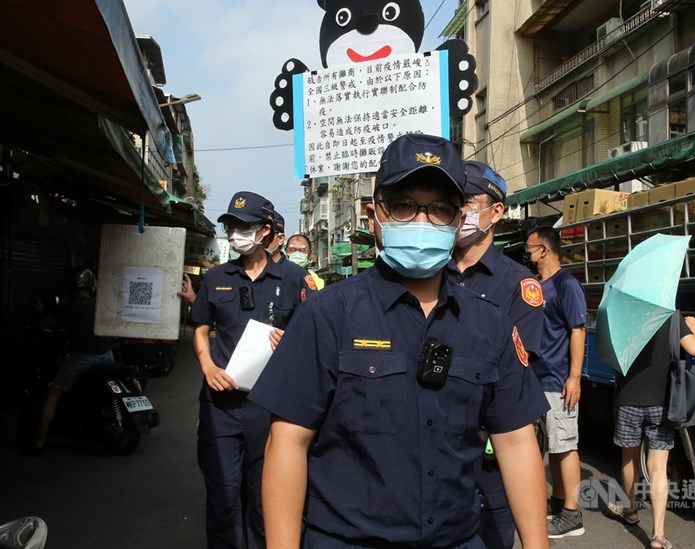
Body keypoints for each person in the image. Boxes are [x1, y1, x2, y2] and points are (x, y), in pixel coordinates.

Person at [253, 133, 550, 549]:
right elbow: (288, 442)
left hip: (459, 538)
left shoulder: (490, 323)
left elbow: (517, 443)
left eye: (440, 209)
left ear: (456, 219)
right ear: (375, 214)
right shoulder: (327, 315)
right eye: (405, 206)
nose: (422, 222)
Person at [188, 191, 310, 549]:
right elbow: (200, 326)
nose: (237, 233)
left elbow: (311, 339)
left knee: (264, 497)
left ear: (267, 232)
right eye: (232, 227)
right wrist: (207, 366)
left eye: (246, 226)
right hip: (219, 406)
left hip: (270, 407)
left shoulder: (294, 279)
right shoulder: (216, 278)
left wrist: (288, 342)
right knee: (223, 496)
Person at [445, 160, 547, 549]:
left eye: (468, 202)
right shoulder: (432, 273)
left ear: (496, 211)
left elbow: (519, 367)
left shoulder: (518, 284)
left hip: (491, 447)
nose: (459, 213)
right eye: (452, 203)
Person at [608, 313, 695, 549]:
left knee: (629, 460)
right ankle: (658, 536)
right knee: (658, 467)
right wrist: (693, 327)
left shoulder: (623, 316)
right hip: (661, 402)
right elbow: (694, 349)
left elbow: (611, 358)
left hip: (628, 398)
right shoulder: (670, 316)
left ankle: (630, 510)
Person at [525, 226, 587, 538]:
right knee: (552, 445)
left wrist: (574, 378)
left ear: (545, 250)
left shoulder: (566, 284)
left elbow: (578, 329)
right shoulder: (538, 285)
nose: (528, 254)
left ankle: (573, 516)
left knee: (565, 445)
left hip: (558, 379)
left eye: (530, 248)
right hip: (538, 377)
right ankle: (559, 501)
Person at [30, 269, 114, 454]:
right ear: (92, 285)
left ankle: (39, 443)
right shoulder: (100, 304)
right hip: (107, 355)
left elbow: (44, 323)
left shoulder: (68, 305)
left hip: (81, 359)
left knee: (52, 394)